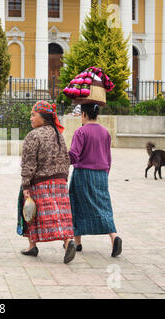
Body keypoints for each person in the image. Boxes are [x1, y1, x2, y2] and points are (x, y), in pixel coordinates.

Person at [20, 100, 77, 264]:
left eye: (33, 115)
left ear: (43, 118)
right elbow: (65, 158)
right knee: (61, 213)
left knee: (32, 212)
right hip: (59, 181)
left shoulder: (33, 136)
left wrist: (25, 185)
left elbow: (28, 162)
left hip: (40, 181)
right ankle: (68, 242)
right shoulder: (57, 134)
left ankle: (32, 245)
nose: (30, 118)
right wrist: (63, 178)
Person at [68, 103, 122, 257]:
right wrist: (105, 173)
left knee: (76, 203)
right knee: (104, 206)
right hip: (101, 175)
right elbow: (108, 157)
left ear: (84, 114)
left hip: (83, 174)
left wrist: (59, 159)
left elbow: (73, 155)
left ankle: (77, 242)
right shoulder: (105, 132)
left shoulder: (80, 132)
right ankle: (114, 237)